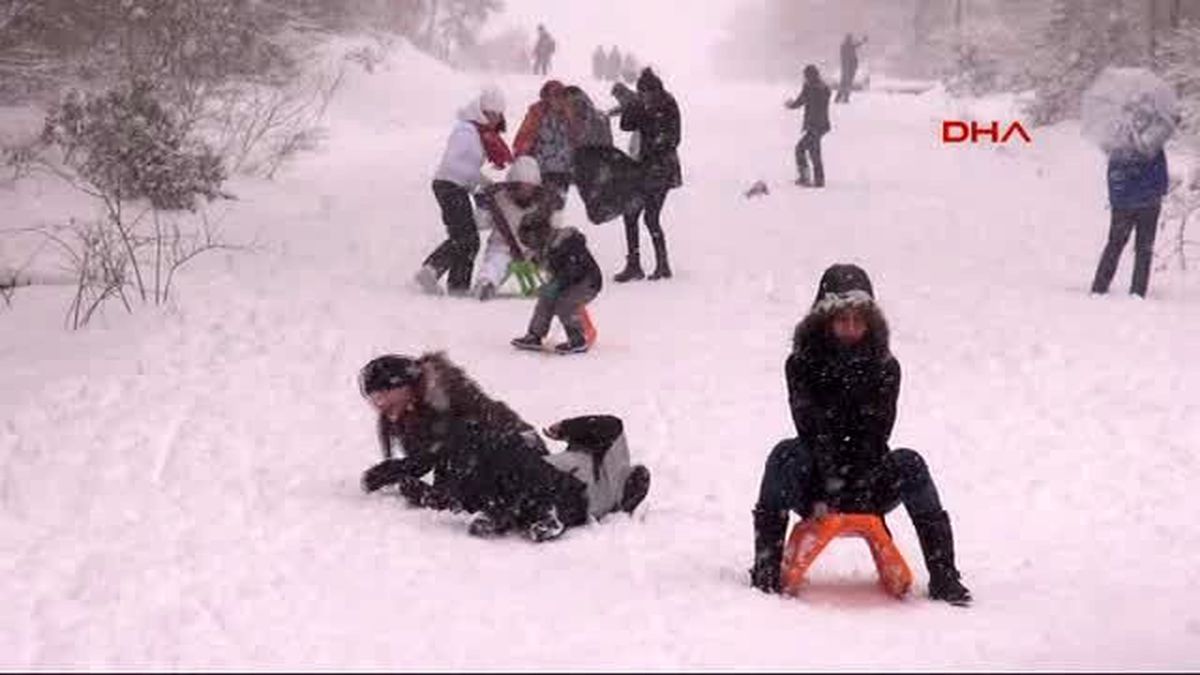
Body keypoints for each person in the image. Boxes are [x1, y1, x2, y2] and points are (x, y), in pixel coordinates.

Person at [749, 264, 972, 605]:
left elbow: (875, 434)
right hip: (815, 482)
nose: (851, 328)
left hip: (868, 479)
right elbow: (811, 430)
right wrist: (825, 495)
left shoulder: (886, 367)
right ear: (825, 321)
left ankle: (945, 575)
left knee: (910, 462)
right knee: (784, 455)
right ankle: (765, 570)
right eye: (842, 320)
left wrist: (862, 493)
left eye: (858, 320)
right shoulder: (801, 364)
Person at [358, 355, 651, 542]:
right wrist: (401, 473)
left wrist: (414, 473)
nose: (381, 406)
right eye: (375, 400)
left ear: (405, 385)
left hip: (513, 445)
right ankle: (499, 506)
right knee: (461, 480)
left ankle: (517, 505)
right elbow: (433, 454)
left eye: (385, 396)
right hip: (476, 458)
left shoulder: (443, 393)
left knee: (470, 453)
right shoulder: (403, 413)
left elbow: (451, 441)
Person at [416, 86, 509, 296]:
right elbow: (453, 163)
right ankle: (431, 271)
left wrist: (480, 181)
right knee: (466, 237)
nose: (494, 118)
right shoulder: (466, 130)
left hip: (456, 187)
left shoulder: (478, 131)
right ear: (480, 110)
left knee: (466, 238)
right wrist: (479, 181)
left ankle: (457, 286)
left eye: (497, 114)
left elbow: (467, 167)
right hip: (449, 186)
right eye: (490, 113)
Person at [613, 68, 682, 282]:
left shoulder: (668, 105)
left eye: (647, 93)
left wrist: (656, 145)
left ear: (656, 90)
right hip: (643, 168)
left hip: (662, 170)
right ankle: (634, 264)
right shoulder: (641, 105)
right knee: (630, 214)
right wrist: (631, 106)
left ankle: (662, 264)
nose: (645, 96)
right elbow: (625, 126)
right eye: (641, 93)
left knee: (651, 217)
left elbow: (674, 138)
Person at [471, 156, 564, 301]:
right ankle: (485, 284)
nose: (525, 191)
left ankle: (547, 283)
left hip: (531, 252)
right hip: (502, 245)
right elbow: (481, 224)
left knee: (540, 282)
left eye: (530, 187)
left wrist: (556, 211)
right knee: (495, 262)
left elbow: (556, 228)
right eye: (521, 186)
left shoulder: (544, 203)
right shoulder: (497, 198)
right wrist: (483, 208)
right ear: (512, 184)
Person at [510, 210, 603, 354]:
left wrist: (558, 284)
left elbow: (574, 270)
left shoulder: (567, 244)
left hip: (587, 282)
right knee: (546, 298)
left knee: (565, 303)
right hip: (566, 282)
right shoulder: (545, 248)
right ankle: (535, 335)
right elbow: (544, 264)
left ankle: (578, 339)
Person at [1090, 147, 1169, 298]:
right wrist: (1160, 191)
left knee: (1115, 244)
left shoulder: (1119, 143)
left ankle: (1100, 286)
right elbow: (1161, 175)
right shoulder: (1153, 140)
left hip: (1123, 203)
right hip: (1149, 202)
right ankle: (1138, 290)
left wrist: (1117, 197)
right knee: (1144, 248)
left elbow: (1114, 176)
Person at [513, 80, 576, 207]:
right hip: (542, 170)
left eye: (561, 96)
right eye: (554, 96)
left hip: (563, 171)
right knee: (540, 206)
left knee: (557, 206)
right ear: (547, 98)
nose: (558, 100)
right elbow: (524, 137)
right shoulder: (537, 114)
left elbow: (577, 138)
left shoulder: (570, 114)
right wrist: (521, 160)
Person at [785, 65, 831, 188]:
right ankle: (817, 180)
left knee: (801, 149)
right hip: (821, 125)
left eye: (805, 76)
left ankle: (806, 178)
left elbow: (800, 101)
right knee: (813, 152)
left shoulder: (811, 87)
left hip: (814, 126)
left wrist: (790, 105)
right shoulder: (823, 88)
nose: (804, 78)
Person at [836, 33, 868, 103]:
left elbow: (857, 44)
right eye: (850, 39)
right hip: (848, 67)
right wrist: (863, 41)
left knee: (845, 83)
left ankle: (841, 97)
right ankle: (843, 98)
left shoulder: (847, 46)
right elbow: (857, 45)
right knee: (846, 83)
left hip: (850, 67)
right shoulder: (847, 46)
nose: (851, 40)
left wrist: (863, 41)